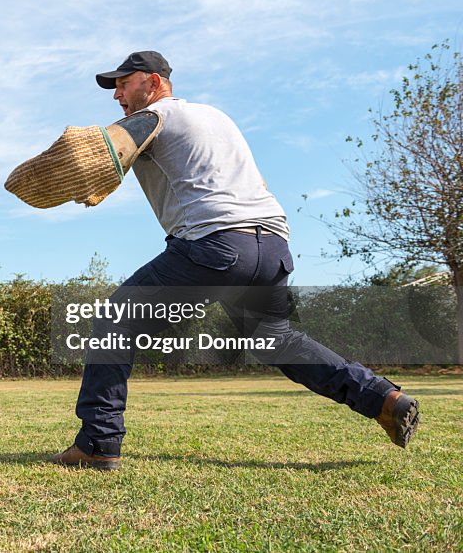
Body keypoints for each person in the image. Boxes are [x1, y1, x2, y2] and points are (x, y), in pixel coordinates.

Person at [51, 50, 421, 470]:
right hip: (272, 245)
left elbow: (98, 153)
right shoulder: (217, 118)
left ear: (153, 83)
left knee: (116, 320)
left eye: (124, 83)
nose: (117, 94)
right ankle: (383, 399)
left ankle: (97, 444)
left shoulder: (154, 116)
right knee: (275, 338)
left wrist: (54, 175)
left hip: (214, 244)